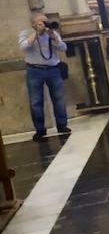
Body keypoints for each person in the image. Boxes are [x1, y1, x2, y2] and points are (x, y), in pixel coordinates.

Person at [19, 13, 70, 141]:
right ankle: (40, 129)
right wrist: (36, 34)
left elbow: (64, 48)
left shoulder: (51, 33)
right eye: (41, 22)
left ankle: (62, 125)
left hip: (53, 69)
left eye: (45, 21)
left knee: (58, 98)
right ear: (33, 24)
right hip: (34, 70)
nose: (44, 24)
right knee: (36, 101)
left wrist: (53, 37)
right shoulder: (26, 33)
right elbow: (23, 46)